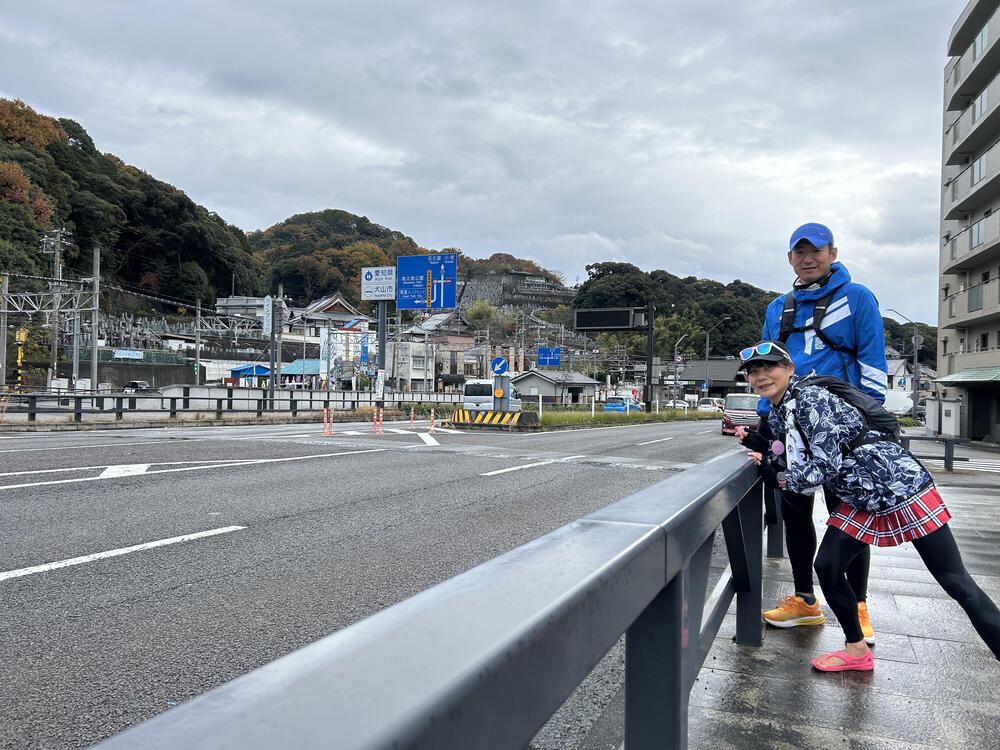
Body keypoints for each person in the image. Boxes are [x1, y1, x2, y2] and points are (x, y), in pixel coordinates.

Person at [739, 341, 1000, 671]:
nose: (761, 376)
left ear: (790, 369)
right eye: (754, 372)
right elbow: (789, 450)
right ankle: (857, 651)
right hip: (861, 496)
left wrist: (775, 475)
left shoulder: (810, 398)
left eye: (769, 368)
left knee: (955, 581)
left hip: (896, 486)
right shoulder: (782, 409)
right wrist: (759, 444)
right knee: (829, 566)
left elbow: (822, 467)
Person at [743, 222, 888, 642]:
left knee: (850, 517)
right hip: (791, 428)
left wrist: (870, 426)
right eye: (800, 252)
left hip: (843, 429)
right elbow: (765, 370)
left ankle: (857, 606)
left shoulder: (858, 297)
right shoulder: (779, 307)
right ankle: (805, 600)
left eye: (817, 251)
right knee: (794, 513)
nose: (808, 259)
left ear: (833, 253)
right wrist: (763, 428)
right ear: (790, 258)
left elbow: (873, 364)